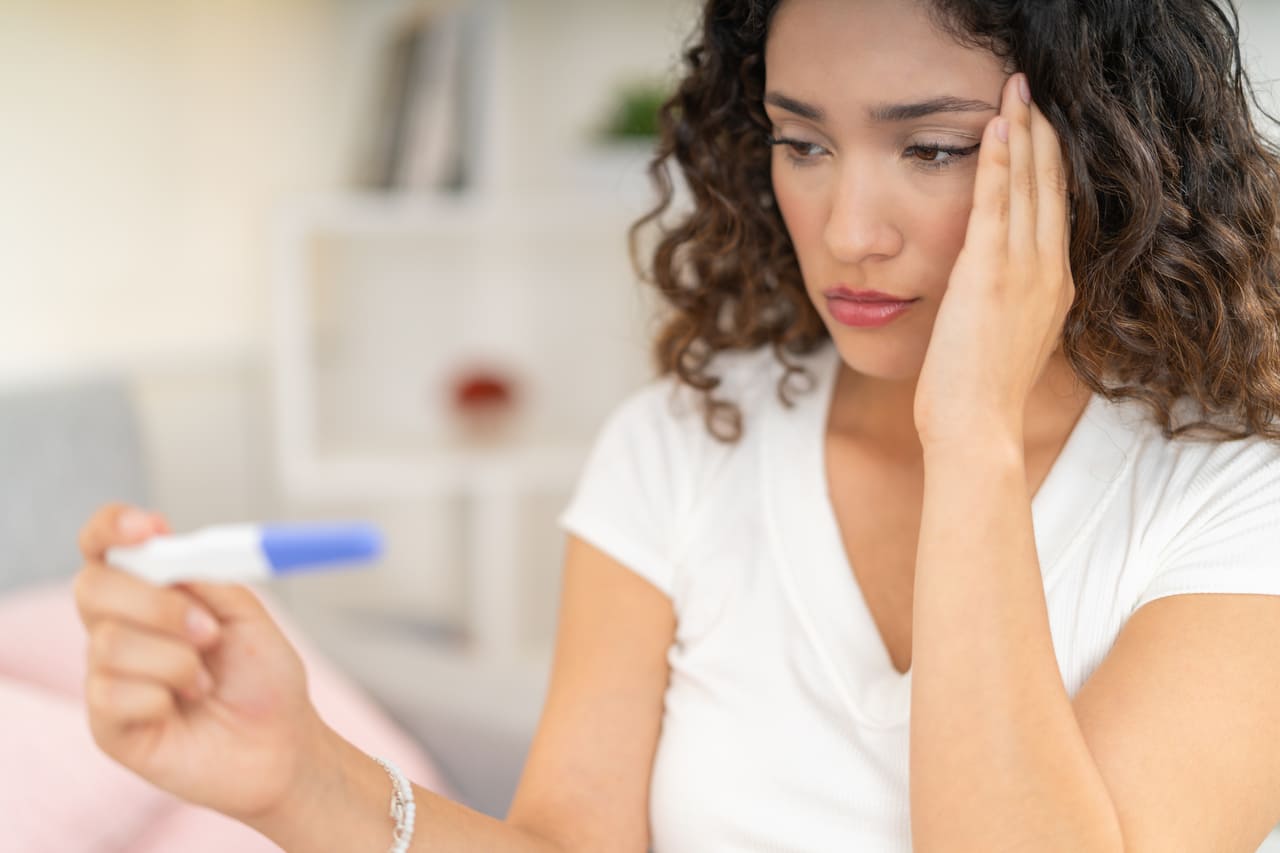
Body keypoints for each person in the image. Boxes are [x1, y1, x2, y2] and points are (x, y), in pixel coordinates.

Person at [72, 0, 1280, 850]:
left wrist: (964, 429)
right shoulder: (677, 446)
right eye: (800, 141)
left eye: (932, 148)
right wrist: (298, 776)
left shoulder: (1230, 502)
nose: (847, 225)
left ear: (1108, 159)